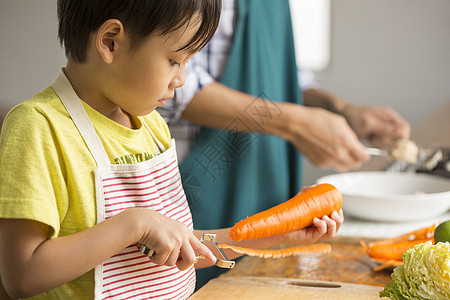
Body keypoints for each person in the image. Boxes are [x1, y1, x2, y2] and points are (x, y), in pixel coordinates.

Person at [0, 0, 344, 299]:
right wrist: (133, 224)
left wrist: (277, 234)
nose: (180, 80)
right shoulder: (38, 127)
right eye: (174, 61)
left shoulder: (151, 125)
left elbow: (182, 246)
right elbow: (22, 275)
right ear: (110, 42)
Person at [157, 0, 410, 287]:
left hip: (266, 174)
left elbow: (284, 72)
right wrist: (295, 122)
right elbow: (174, 82)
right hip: (204, 176)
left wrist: (341, 109)